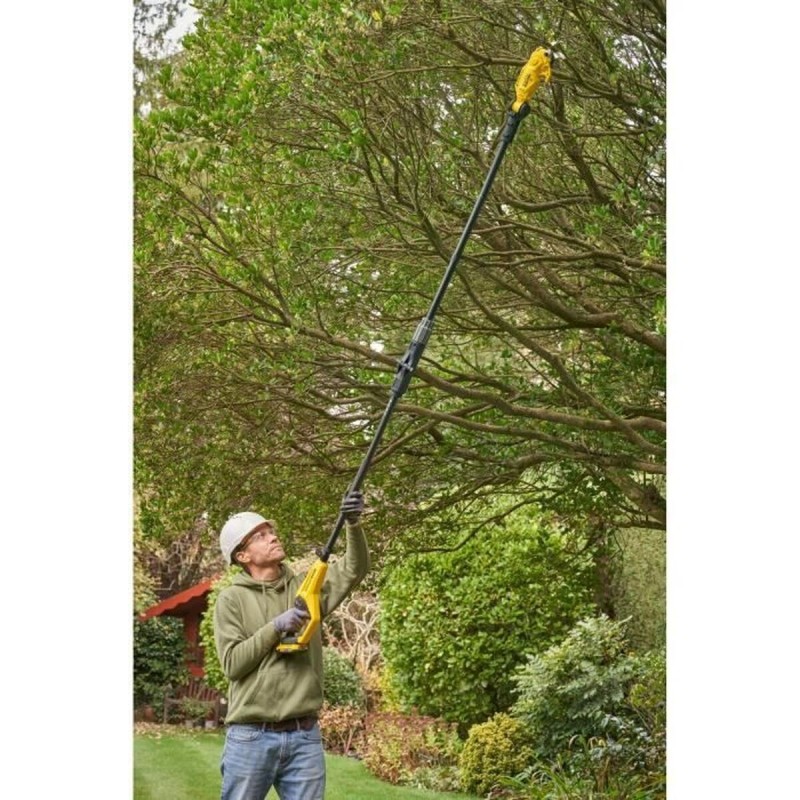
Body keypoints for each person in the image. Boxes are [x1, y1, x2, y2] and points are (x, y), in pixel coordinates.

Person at [213, 490, 370, 800]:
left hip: (303, 736)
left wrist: (353, 524)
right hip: (250, 736)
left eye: (270, 531)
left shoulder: (304, 588)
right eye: (260, 536)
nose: (272, 537)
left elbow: (355, 569)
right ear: (242, 556)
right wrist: (275, 628)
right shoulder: (231, 600)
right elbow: (232, 664)